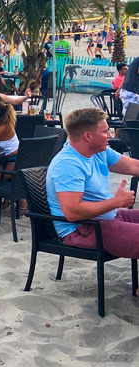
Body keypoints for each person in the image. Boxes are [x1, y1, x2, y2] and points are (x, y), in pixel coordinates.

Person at [47, 107, 139, 260]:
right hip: (82, 229)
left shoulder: (99, 151)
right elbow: (72, 212)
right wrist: (115, 202)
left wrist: (114, 205)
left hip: (108, 218)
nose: (109, 135)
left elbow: (133, 166)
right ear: (87, 136)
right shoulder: (68, 164)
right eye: (104, 132)